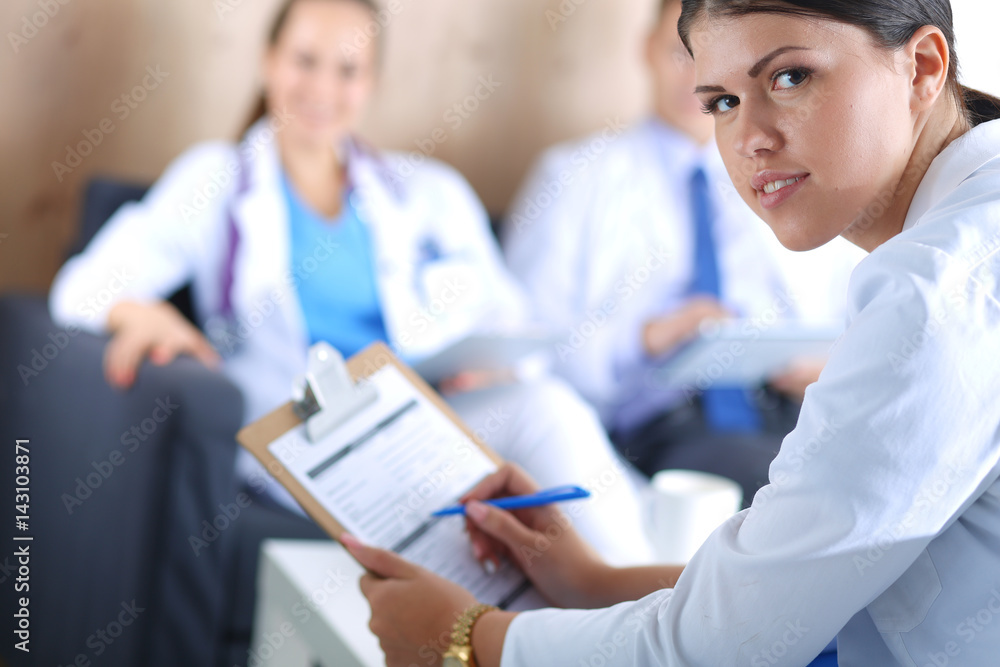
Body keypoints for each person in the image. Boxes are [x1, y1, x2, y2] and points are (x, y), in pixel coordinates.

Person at [342, 1, 1000, 665]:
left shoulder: (933, 289)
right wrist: (592, 582)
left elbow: (718, 646)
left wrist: (467, 638)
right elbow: (788, 594)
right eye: (721, 102)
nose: (748, 139)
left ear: (922, 67)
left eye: (790, 78)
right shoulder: (958, 235)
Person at [48, 0, 655, 658]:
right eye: (305, 61)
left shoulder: (426, 193)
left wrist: (491, 363)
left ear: (371, 84)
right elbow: (84, 286)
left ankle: (642, 620)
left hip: (426, 418)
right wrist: (145, 312)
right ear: (268, 61)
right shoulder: (217, 181)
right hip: (312, 432)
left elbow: (513, 320)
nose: (323, 88)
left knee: (548, 407)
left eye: (347, 70)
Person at [503, 0, 865, 502]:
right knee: (792, 489)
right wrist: (646, 338)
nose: (698, 79)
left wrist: (826, 366)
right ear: (646, 50)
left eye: (719, 60)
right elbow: (524, 352)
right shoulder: (574, 178)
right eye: (681, 53)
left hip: (795, 410)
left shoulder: (795, 176)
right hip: (665, 423)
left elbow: (852, 312)